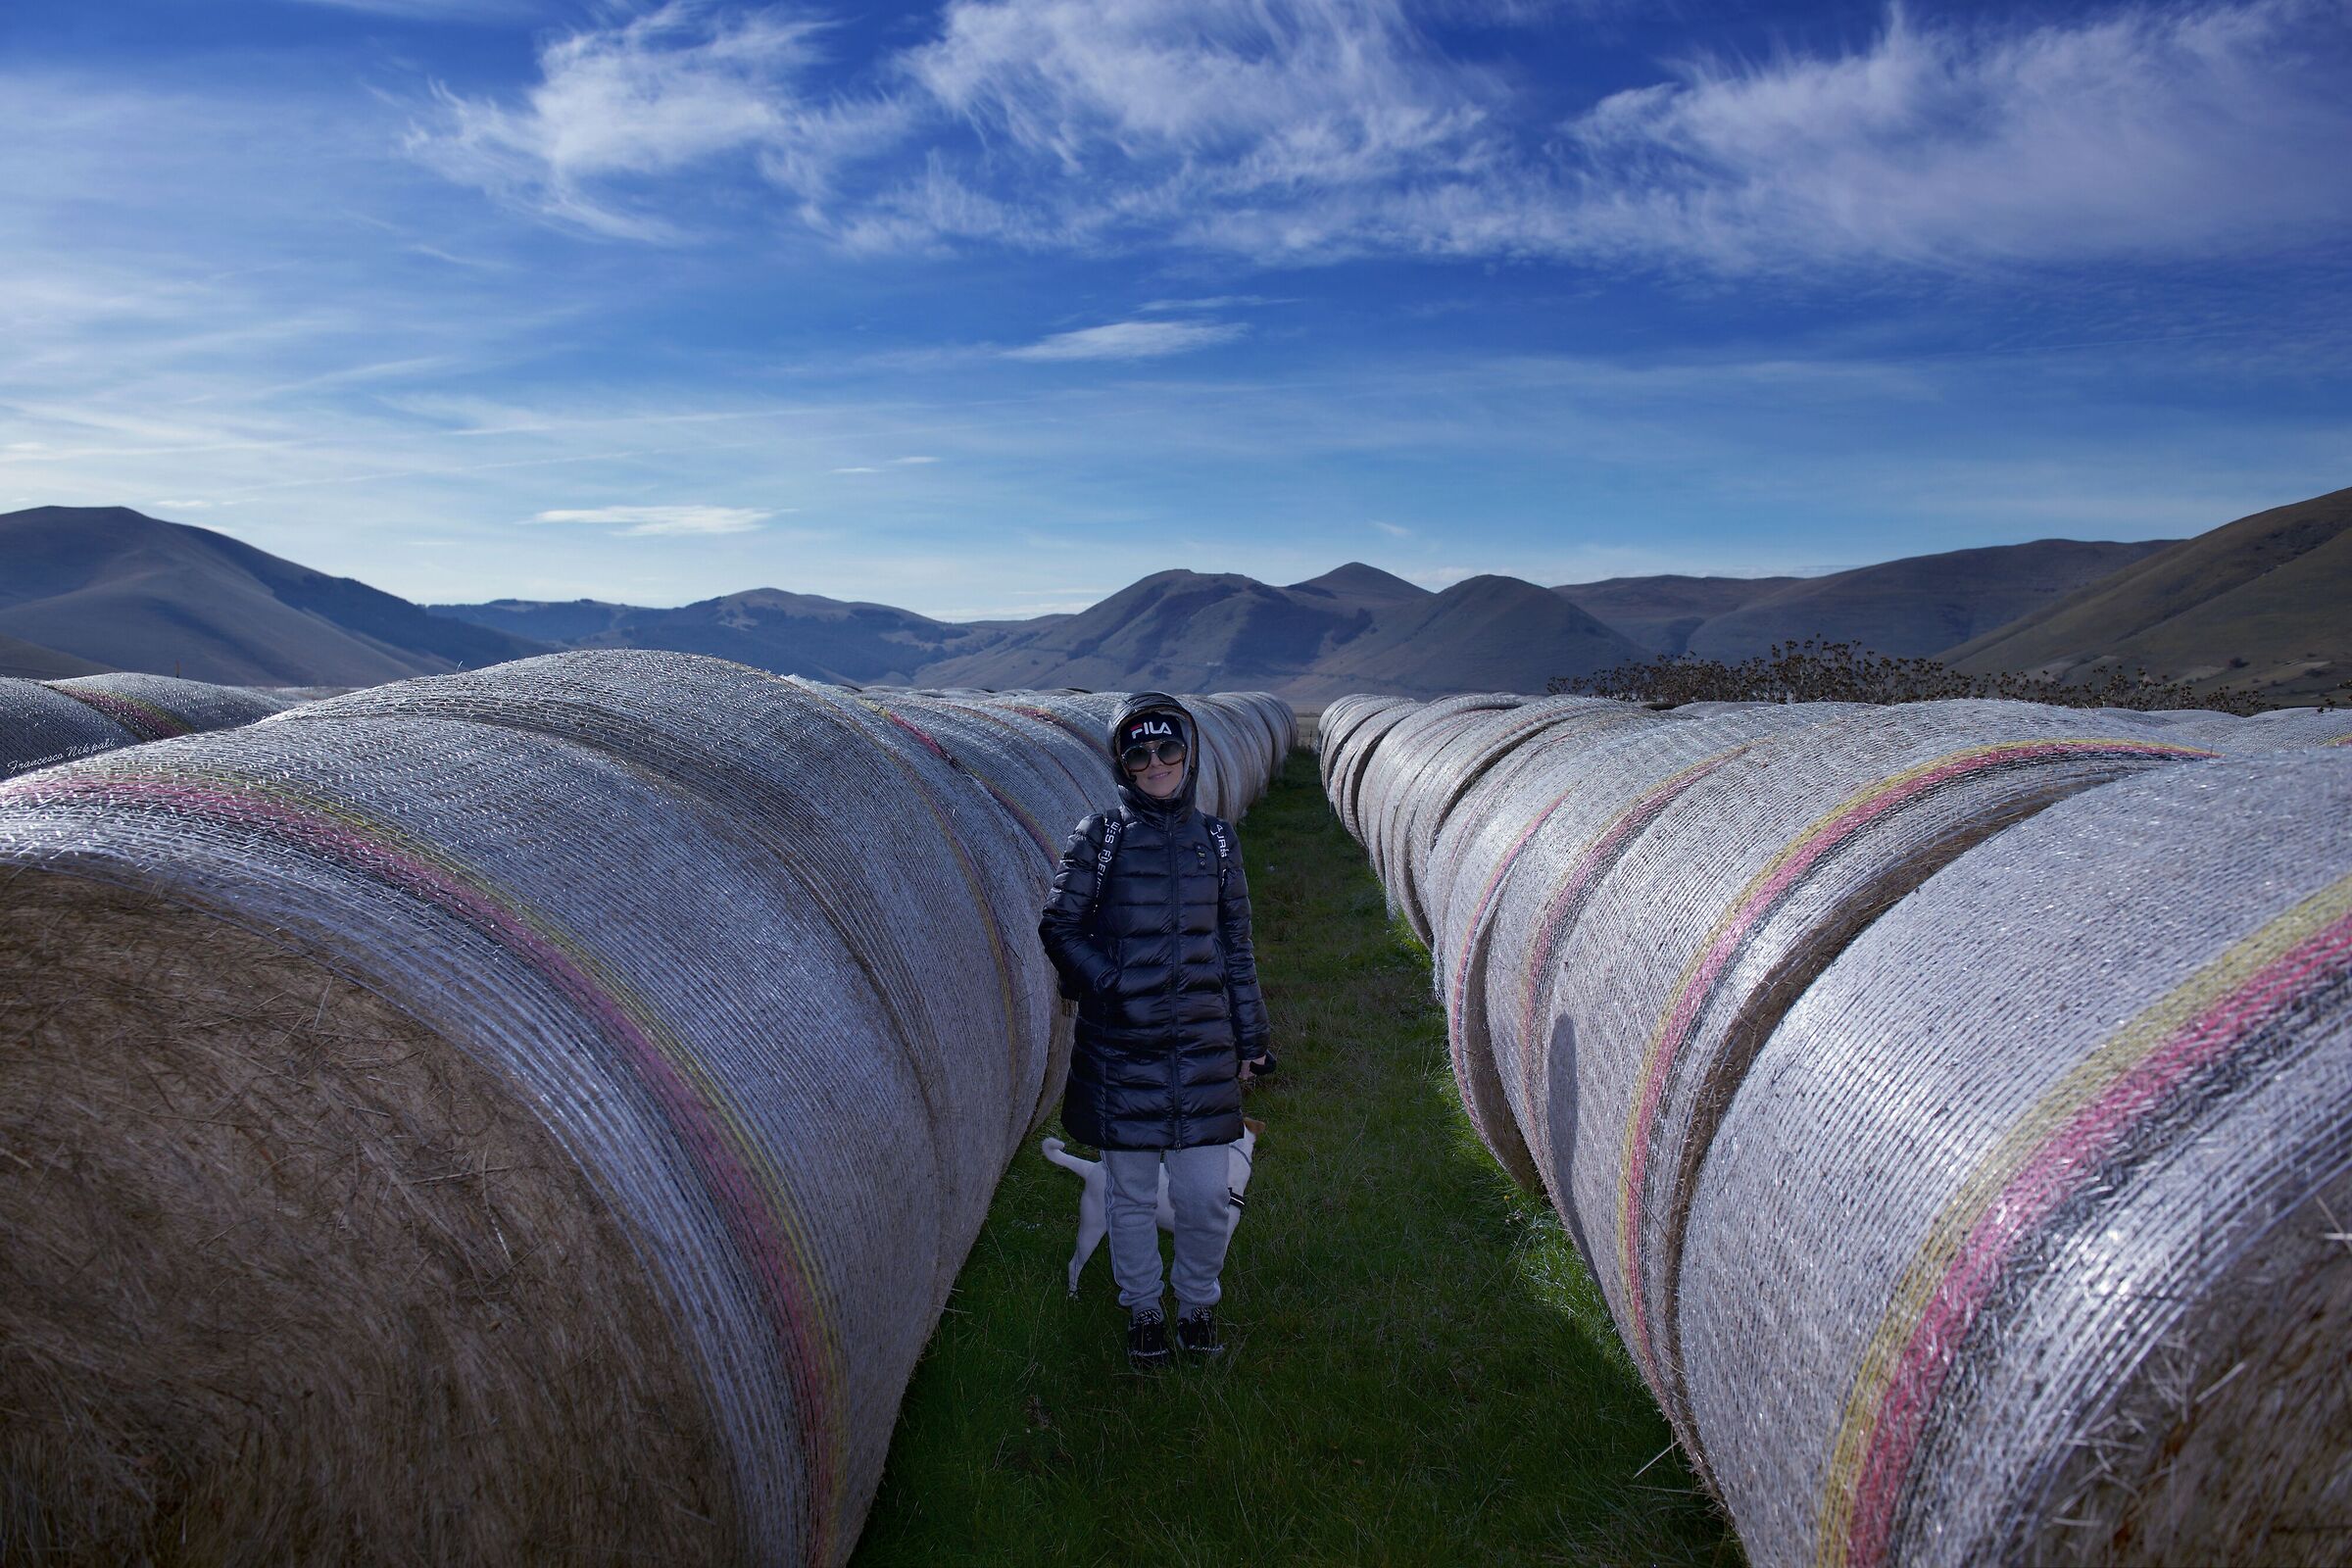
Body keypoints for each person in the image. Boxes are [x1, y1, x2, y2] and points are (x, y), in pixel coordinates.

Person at [1039, 692, 1273, 1368]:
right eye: (1139, 753)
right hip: (1122, 1049)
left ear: (1189, 752)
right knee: (1131, 1196)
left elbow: (1236, 947)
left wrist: (1251, 1038)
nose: (1156, 763)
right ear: (1123, 764)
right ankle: (1143, 1311)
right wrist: (1113, 984)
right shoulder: (1100, 835)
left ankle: (1196, 1302)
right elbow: (1059, 925)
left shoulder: (1219, 842)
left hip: (1202, 1047)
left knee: (1204, 1196)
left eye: (1168, 748)